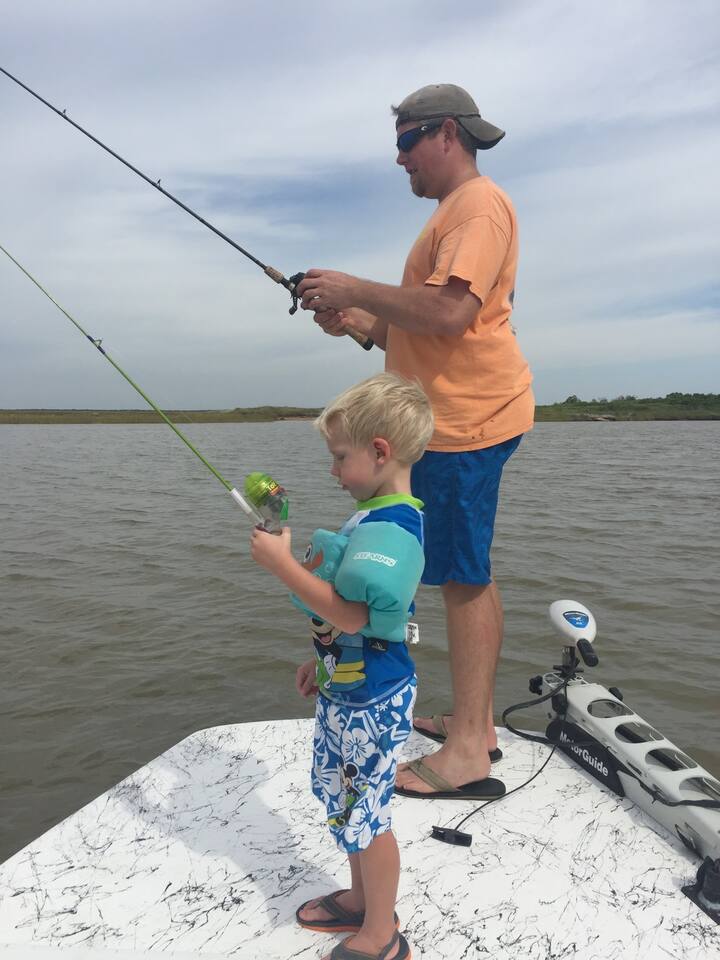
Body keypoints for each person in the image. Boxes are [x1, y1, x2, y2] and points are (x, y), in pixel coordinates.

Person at [296, 83, 534, 800]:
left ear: (447, 134)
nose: (400, 159)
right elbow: (416, 330)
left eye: (407, 142)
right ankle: (475, 722)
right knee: (466, 570)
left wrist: (354, 288)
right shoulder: (453, 213)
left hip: (466, 423)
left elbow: (451, 311)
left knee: (463, 577)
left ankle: (468, 751)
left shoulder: (477, 206)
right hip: (452, 420)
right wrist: (355, 320)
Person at [250, 372, 434, 960]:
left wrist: (283, 566)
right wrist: (320, 661)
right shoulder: (370, 515)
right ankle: (359, 900)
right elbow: (343, 627)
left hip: (375, 700)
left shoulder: (395, 527)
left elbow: (356, 616)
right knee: (347, 802)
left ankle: (382, 933)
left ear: (380, 451)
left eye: (339, 457)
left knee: (370, 815)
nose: (333, 470)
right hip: (346, 690)